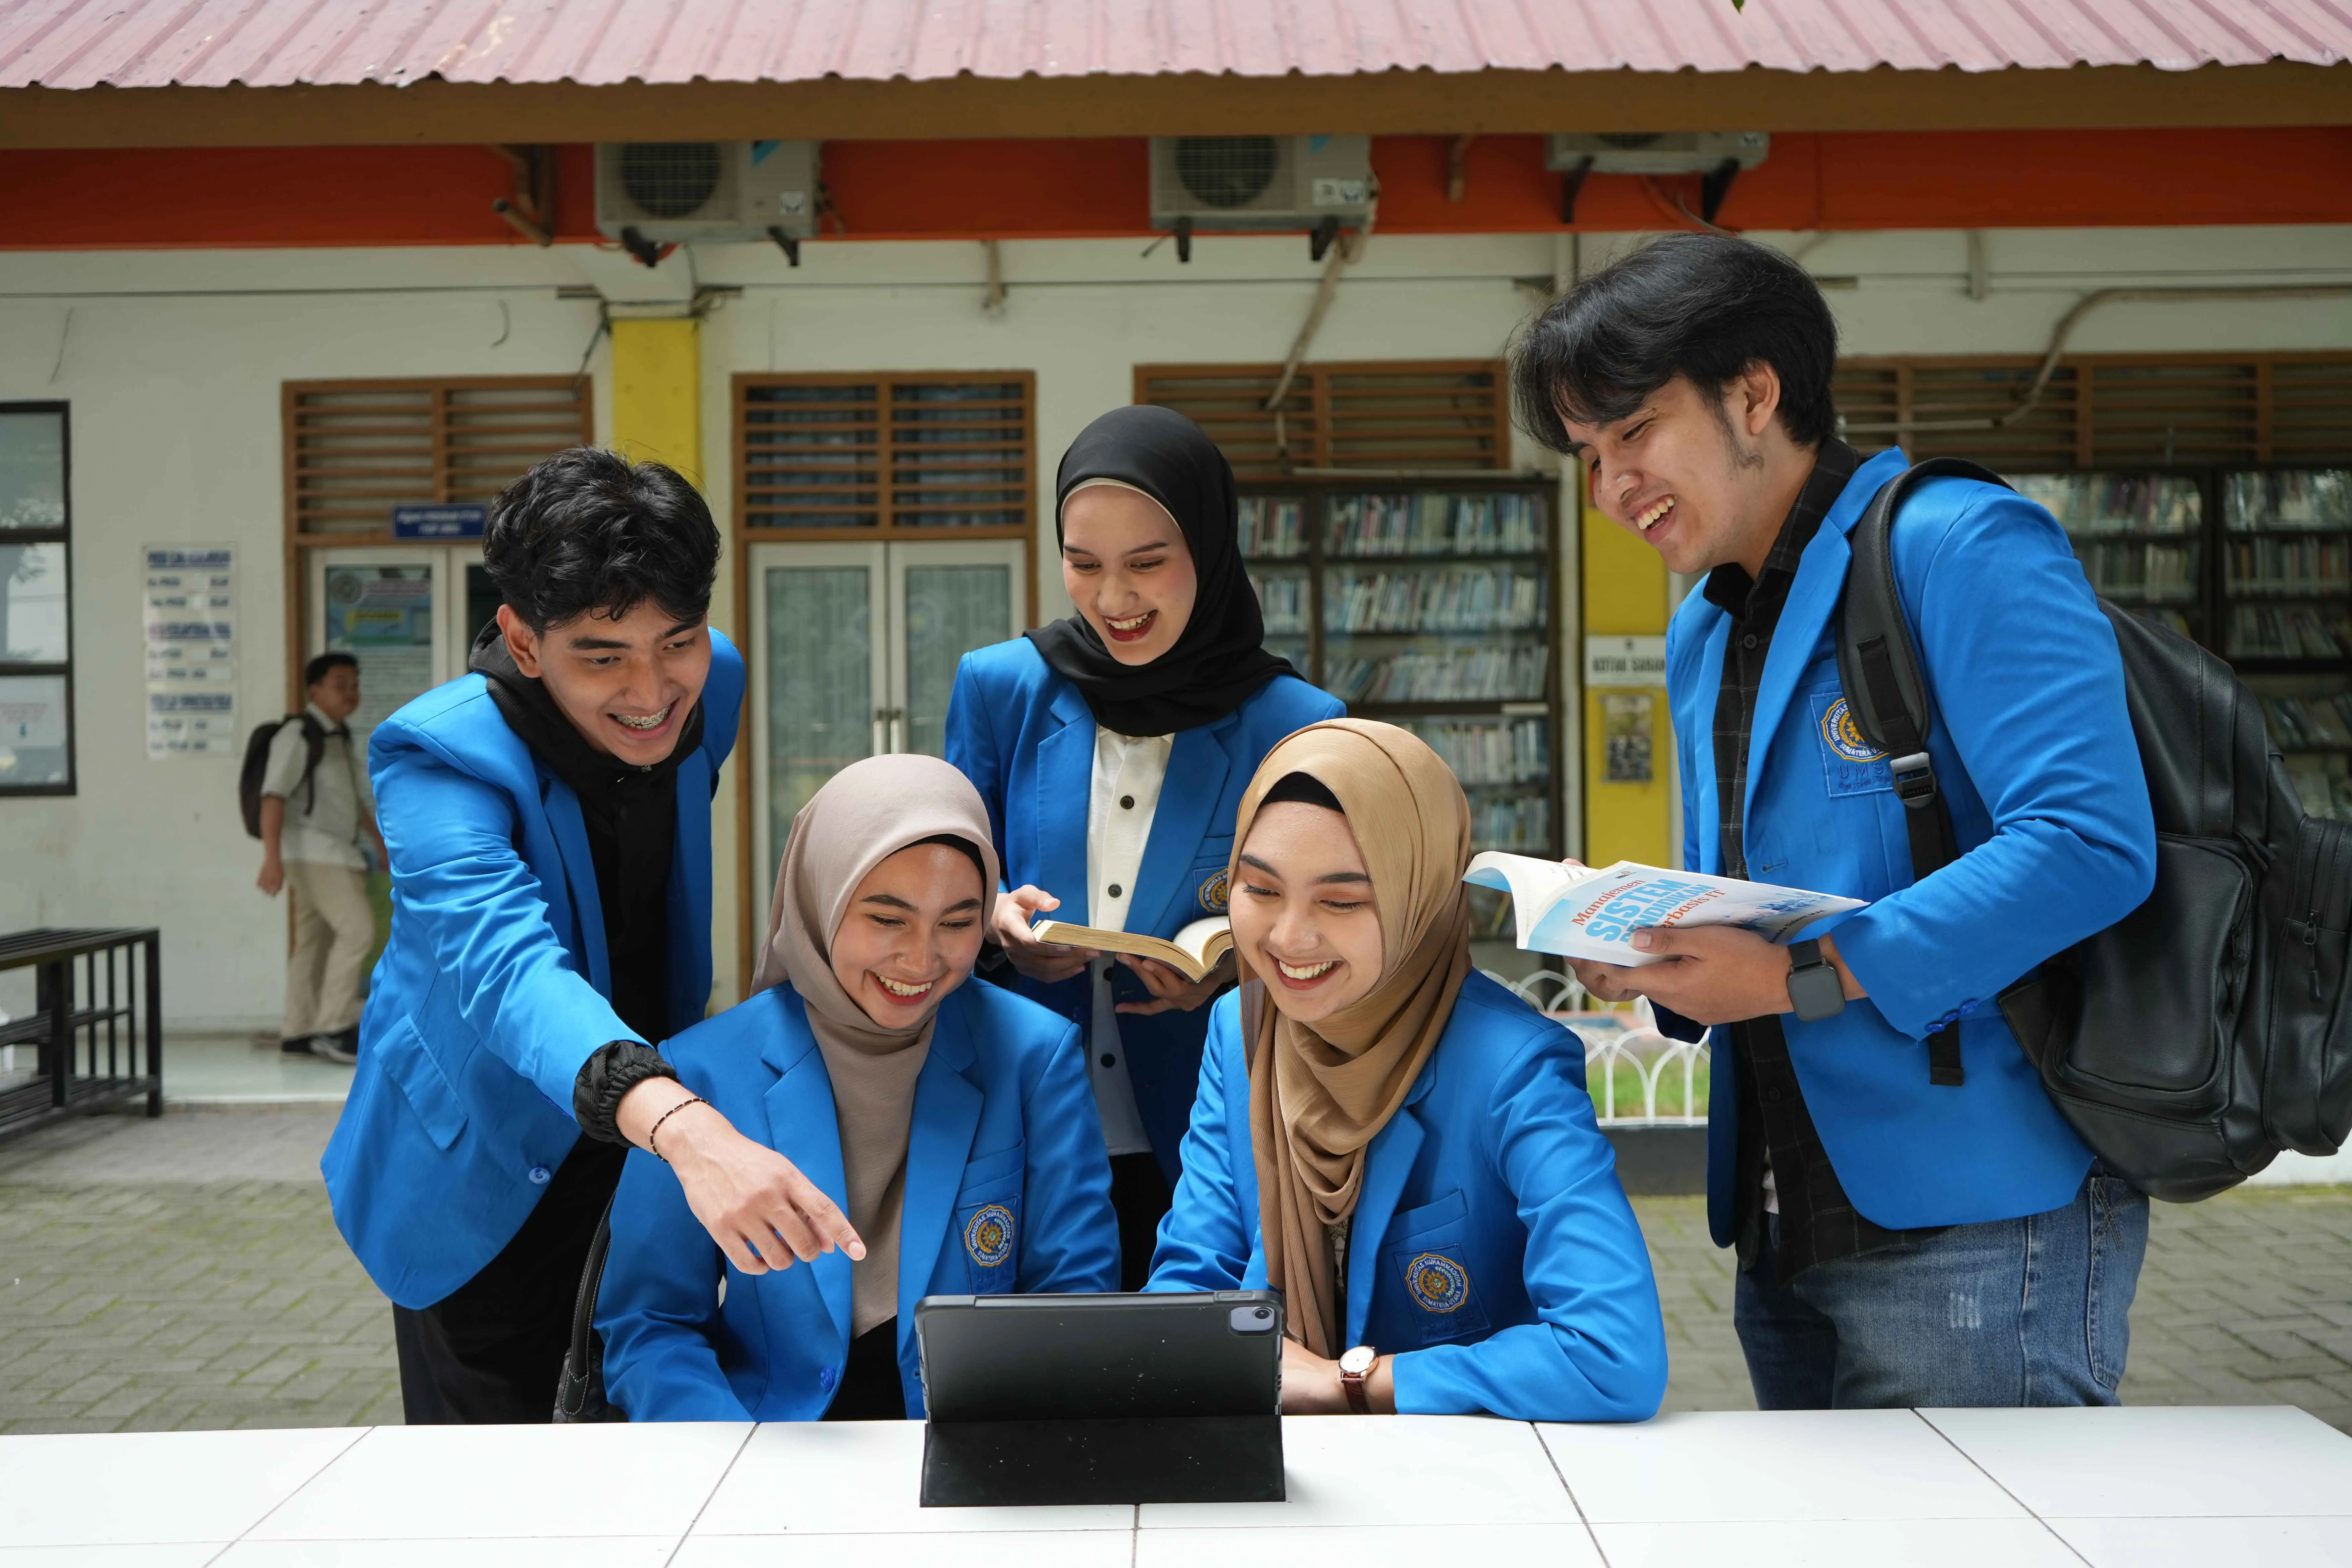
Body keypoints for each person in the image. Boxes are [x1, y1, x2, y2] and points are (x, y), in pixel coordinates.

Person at [1511, 232, 2158, 1409]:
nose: (1609, 489)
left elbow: (2087, 844)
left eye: (1632, 435)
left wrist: (1795, 978)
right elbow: (1756, 900)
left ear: (1753, 393)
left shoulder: (1955, 546)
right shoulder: (1705, 627)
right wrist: (1645, 946)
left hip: (1976, 1213)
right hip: (1778, 1217)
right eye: (1586, 457)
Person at [323, 448, 859, 1425]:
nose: (652, 692)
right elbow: (507, 972)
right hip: (479, 1171)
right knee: (497, 1478)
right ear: (523, 641)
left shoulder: (716, 683)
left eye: (677, 641)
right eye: (602, 656)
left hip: (645, 1149)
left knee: (646, 1423)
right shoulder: (435, 757)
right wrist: (690, 1129)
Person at [1147, 720, 1667, 1421]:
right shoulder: (1243, 1029)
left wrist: (1352, 1382)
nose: (1288, 936)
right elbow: (1187, 1287)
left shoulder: (1510, 1065)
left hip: (1472, 1482)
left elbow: (1613, 1355)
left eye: (1341, 900)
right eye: (1261, 888)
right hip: (1281, 1476)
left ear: (1417, 895)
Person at [946, 404, 1343, 1287]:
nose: (1114, 600)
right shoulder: (1002, 689)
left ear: (1208, 547)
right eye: (1083, 565)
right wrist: (990, 919)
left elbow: (1336, 920)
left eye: (1148, 564)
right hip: (1022, 1112)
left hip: (1211, 1130)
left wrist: (1236, 967)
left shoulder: (1298, 726)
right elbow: (953, 870)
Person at [598, 754, 1119, 1421]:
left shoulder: (1032, 1054)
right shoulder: (700, 1072)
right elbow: (651, 1321)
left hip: (979, 1436)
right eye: (887, 918)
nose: (922, 958)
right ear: (820, 899)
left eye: (958, 923)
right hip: (766, 1448)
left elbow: (1074, 1298)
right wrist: (735, 1464)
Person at [255, 651, 384, 1064]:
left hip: (331, 850)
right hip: (314, 851)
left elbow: (348, 800)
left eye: (356, 684)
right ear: (315, 690)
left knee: (316, 940)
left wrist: (378, 840)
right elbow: (272, 796)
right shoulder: (298, 735)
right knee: (358, 930)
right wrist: (270, 858)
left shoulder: (336, 735)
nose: (351, 692)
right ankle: (334, 1026)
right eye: (341, 684)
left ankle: (299, 1030)